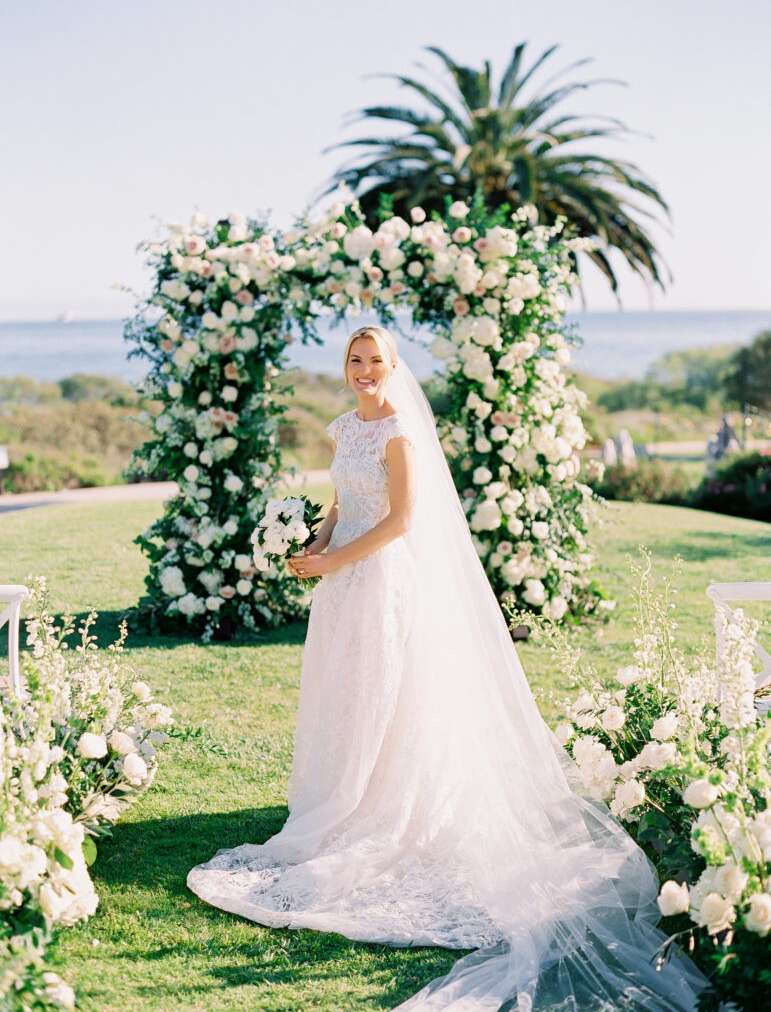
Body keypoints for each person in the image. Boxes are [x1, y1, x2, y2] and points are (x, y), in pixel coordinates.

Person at [187, 326, 707, 1011]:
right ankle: (342, 795)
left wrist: (334, 560)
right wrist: (310, 546)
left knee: (385, 694)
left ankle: (384, 809)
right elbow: (343, 505)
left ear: (394, 367)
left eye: (376, 360)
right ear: (344, 367)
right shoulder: (342, 428)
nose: (364, 369)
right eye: (354, 359)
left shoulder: (401, 432)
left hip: (382, 582)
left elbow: (400, 519)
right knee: (345, 694)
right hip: (341, 585)